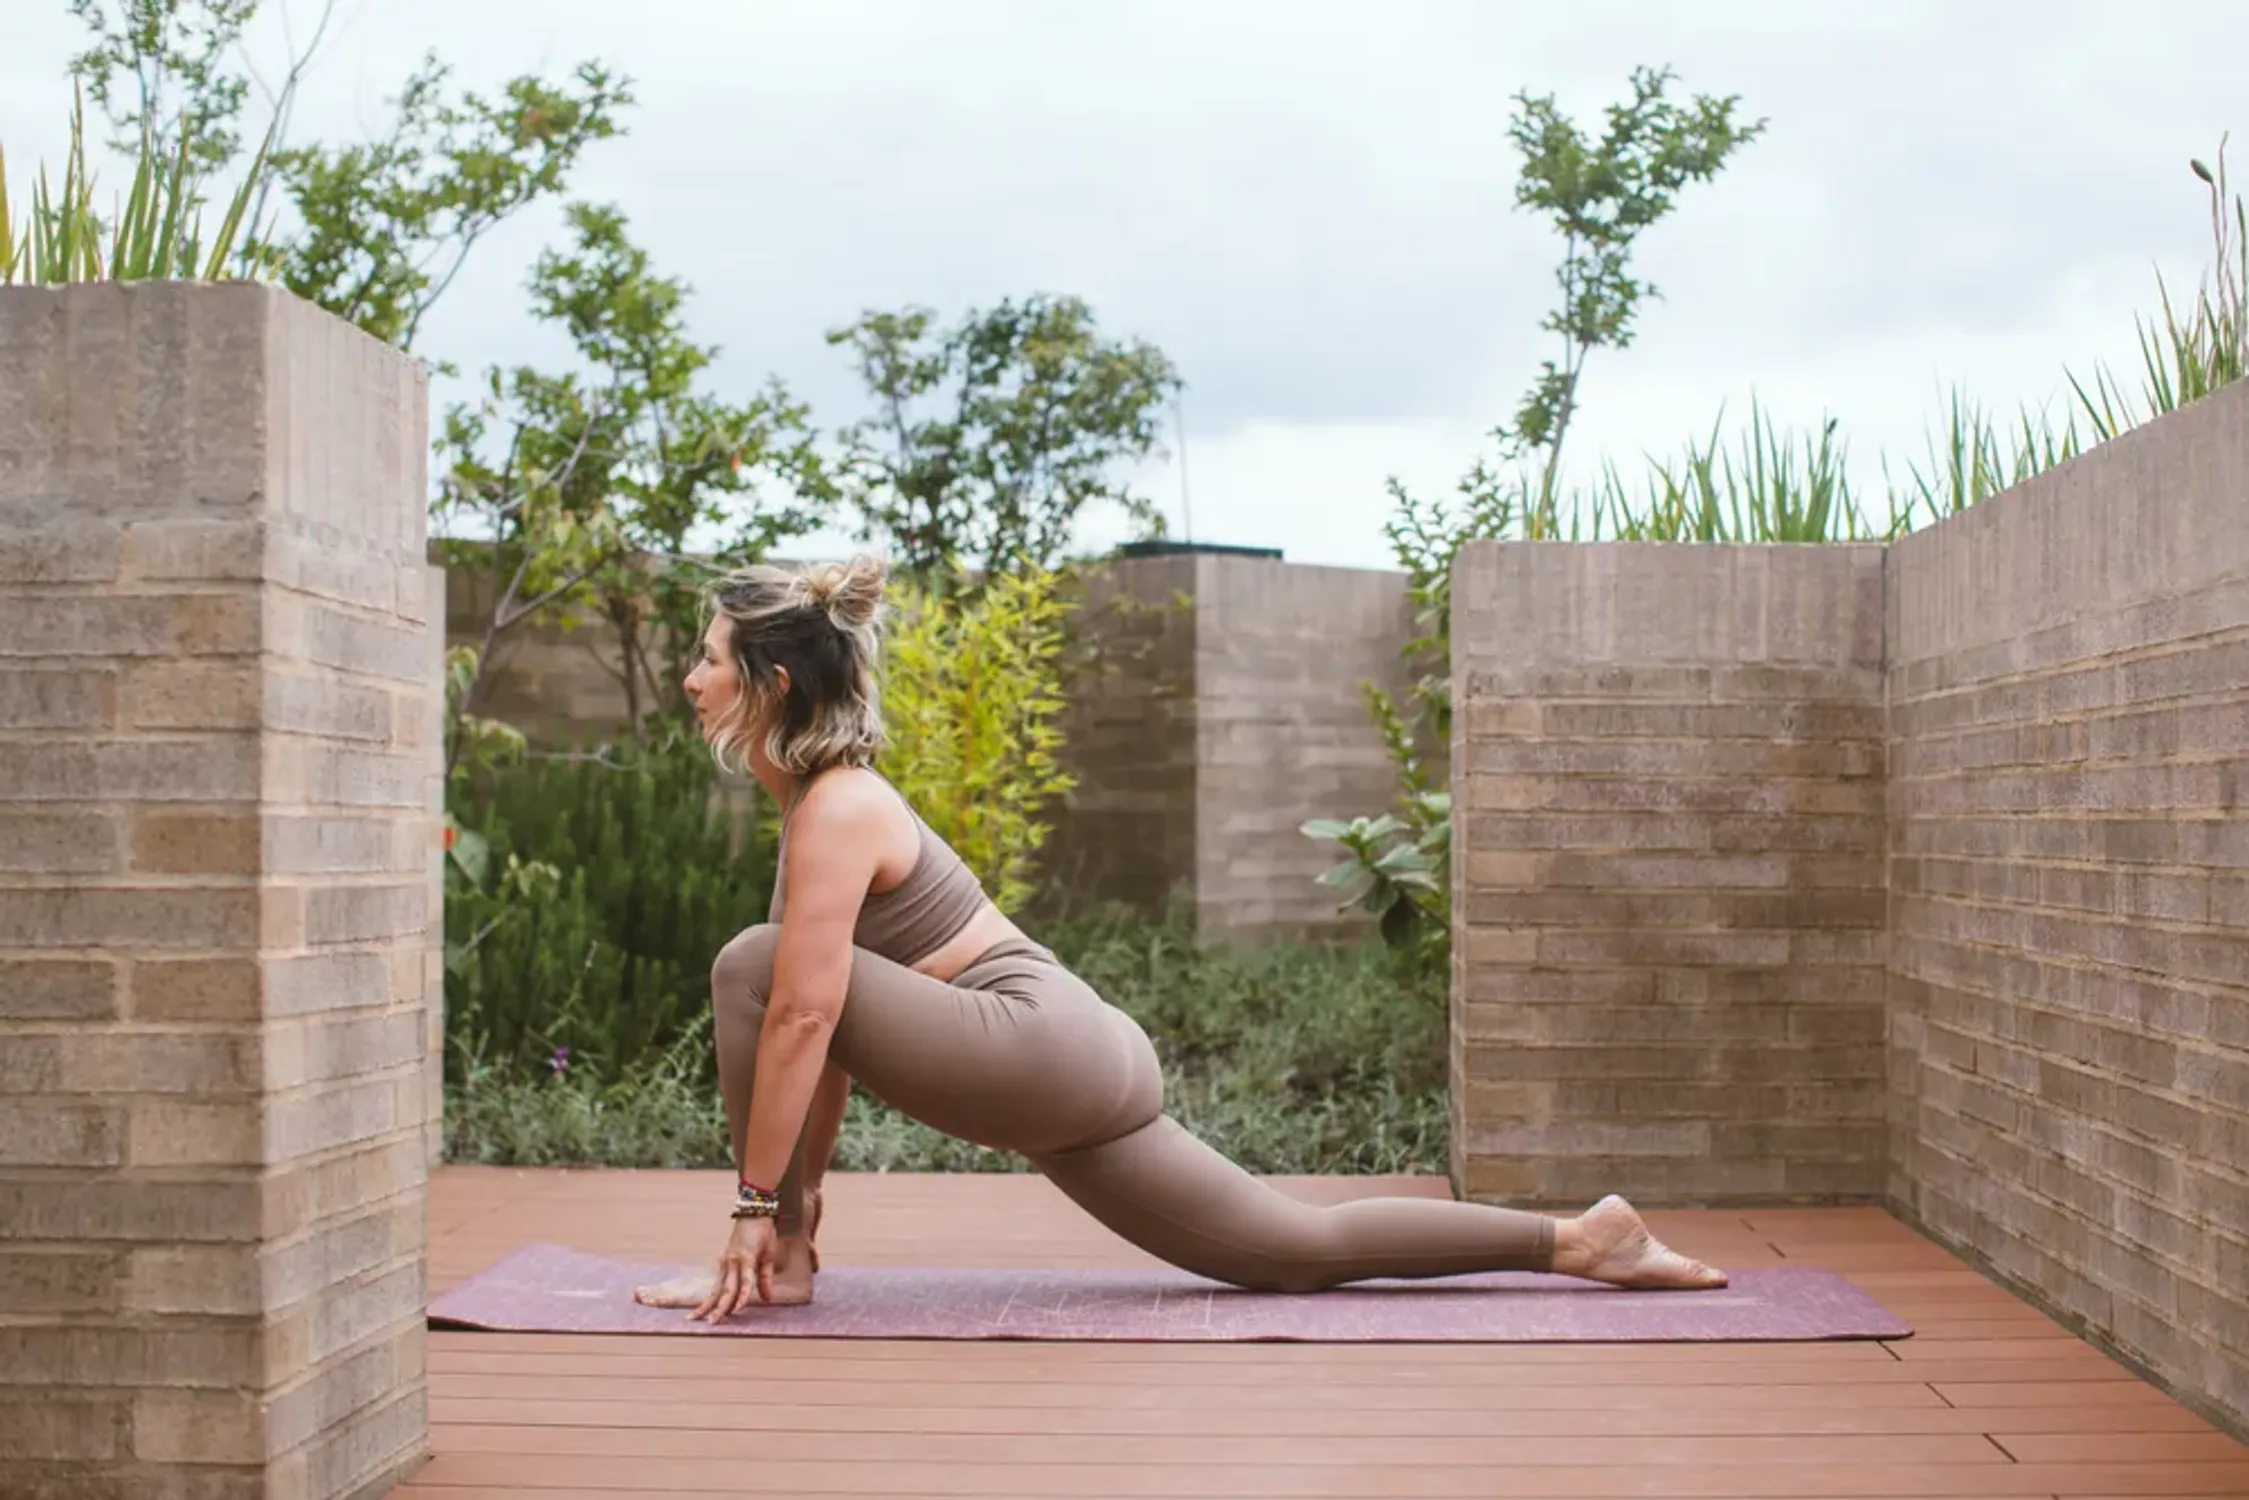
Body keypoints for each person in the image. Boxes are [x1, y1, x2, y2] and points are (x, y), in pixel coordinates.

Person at [632, 555, 1728, 1322]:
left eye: (709, 660)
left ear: (770, 685)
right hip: (1069, 1060)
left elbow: (801, 1012)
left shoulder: (836, 810)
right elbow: (812, 1034)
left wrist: (757, 1216)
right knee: (1286, 1251)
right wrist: (790, 1225)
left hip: (1033, 1046)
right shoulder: (824, 805)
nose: (691, 679)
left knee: (754, 963)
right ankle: (1580, 1241)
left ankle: (777, 1249)